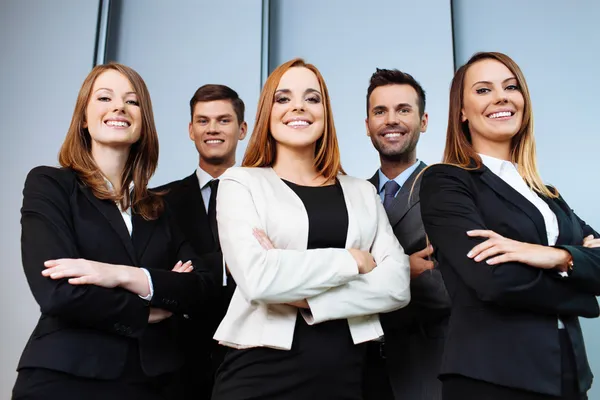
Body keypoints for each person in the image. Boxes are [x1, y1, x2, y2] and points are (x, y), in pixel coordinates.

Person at [12, 63, 216, 400]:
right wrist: (147, 306)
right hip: (65, 376)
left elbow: (201, 286)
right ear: (84, 118)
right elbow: (57, 291)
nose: (119, 107)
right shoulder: (51, 184)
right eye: (104, 97)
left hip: (153, 383)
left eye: (132, 101)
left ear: (142, 123)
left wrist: (116, 274)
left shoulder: (159, 209)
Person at [210, 58, 411, 400]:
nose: (298, 106)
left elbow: (397, 286)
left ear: (325, 113)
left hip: (348, 377)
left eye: (312, 98)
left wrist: (300, 292)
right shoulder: (240, 182)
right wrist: (352, 261)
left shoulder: (361, 191)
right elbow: (258, 279)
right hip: (259, 376)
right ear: (267, 113)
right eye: (283, 98)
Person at [419, 51, 600, 400]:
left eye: (510, 86)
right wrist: (584, 294)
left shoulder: (546, 194)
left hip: (568, 373)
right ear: (461, 111)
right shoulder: (447, 182)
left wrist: (554, 257)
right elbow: (492, 281)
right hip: (493, 378)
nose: (501, 96)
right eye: (484, 90)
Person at [155, 84, 247, 399]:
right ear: (191, 130)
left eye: (223, 120)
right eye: (203, 121)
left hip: (249, 354)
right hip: (177, 360)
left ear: (242, 129)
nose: (212, 129)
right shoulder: (157, 201)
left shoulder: (269, 195)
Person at [363, 68, 450, 400]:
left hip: (426, 366)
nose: (391, 120)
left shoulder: (447, 189)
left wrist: (363, 271)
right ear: (368, 124)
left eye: (403, 109)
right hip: (358, 370)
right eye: (380, 111)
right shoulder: (351, 196)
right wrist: (402, 269)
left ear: (423, 121)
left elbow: (444, 287)